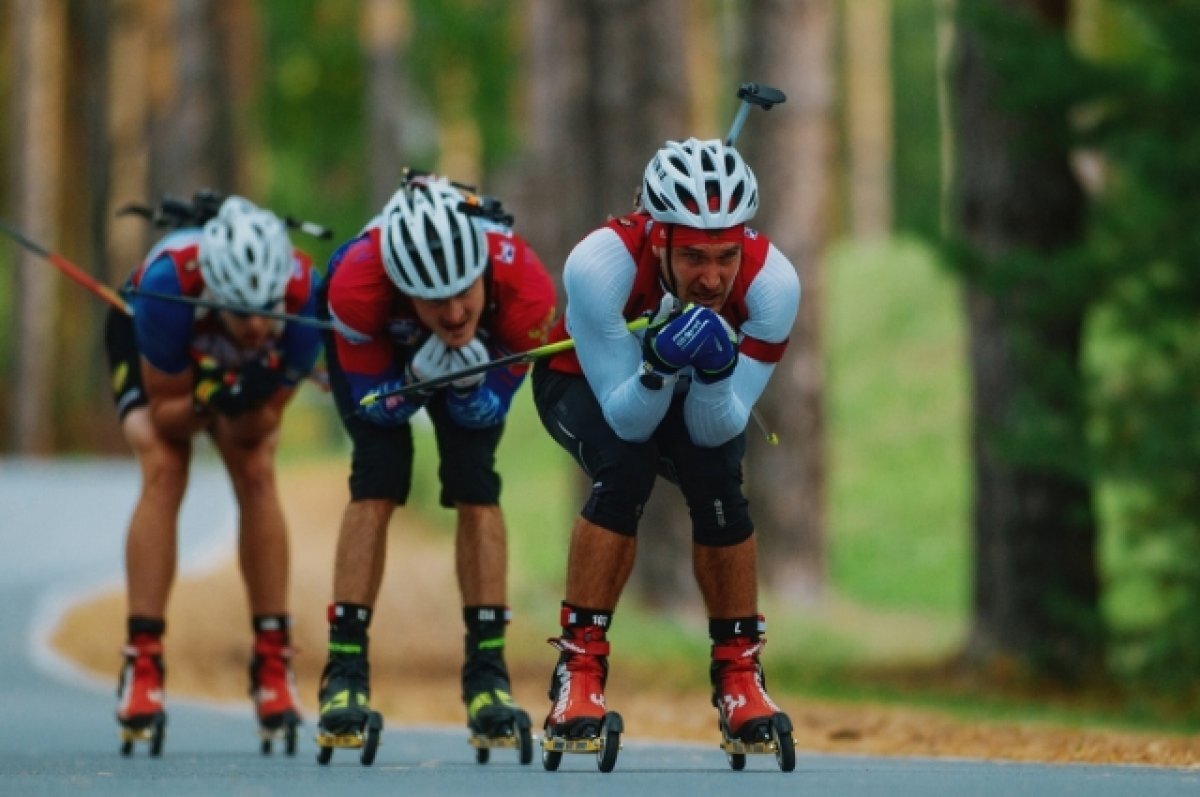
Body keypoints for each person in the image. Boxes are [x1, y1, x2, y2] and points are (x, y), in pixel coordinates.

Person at [532, 137, 800, 747]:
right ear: (660, 238)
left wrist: (708, 372)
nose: (712, 278)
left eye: (726, 256)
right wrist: (656, 364)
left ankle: (739, 675)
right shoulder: (600, 265)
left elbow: (718, 427)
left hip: (693, 392)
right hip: (585, 382)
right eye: (695, 258)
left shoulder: (773, 286)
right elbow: (628, 420)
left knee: (719, 480)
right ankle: (578, 670)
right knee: (625, 467)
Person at [316, 173, 556, 747]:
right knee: (378, 474)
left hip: (489, 349)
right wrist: (416, 383)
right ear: (403, 288)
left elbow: (486, 415)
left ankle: (487, 675)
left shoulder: (528, 292)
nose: (452, 313)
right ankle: (344, 672)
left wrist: (474, 388)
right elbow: (377, 413)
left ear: (484, 271)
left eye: (463, 292)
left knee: (476, 481)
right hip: (381, 346)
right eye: (434, 300)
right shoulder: (355, 285)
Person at [105, 194, 322, 752]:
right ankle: (143, 664)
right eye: (240, 312)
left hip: (221, 374)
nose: (254, 326)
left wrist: (244, 399)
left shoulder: (303, 298)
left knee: (255, 466)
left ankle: (273, 663)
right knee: (163, 463)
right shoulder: (169, 285)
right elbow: (170, 416)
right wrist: (214, 393)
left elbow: (258, 426)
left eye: (263, 311)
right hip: (155, 345)